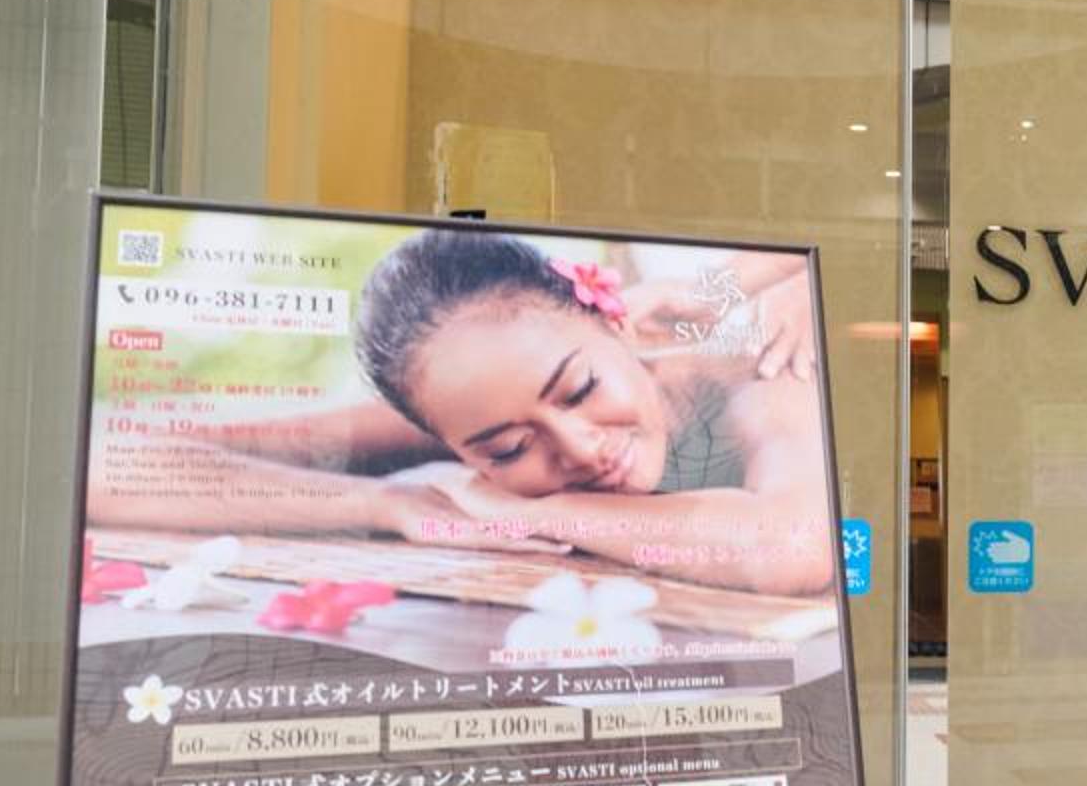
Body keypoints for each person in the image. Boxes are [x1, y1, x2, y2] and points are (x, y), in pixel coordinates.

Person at [87, 234, 834, 596]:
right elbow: (107, 465)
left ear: (618, 325)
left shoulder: (755, 375)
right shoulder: (475, 408)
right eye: (506, 450)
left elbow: (795, 548)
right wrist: (388, 503)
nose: (578, 445)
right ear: (447, 439)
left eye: (579, 389)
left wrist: (520, 507)